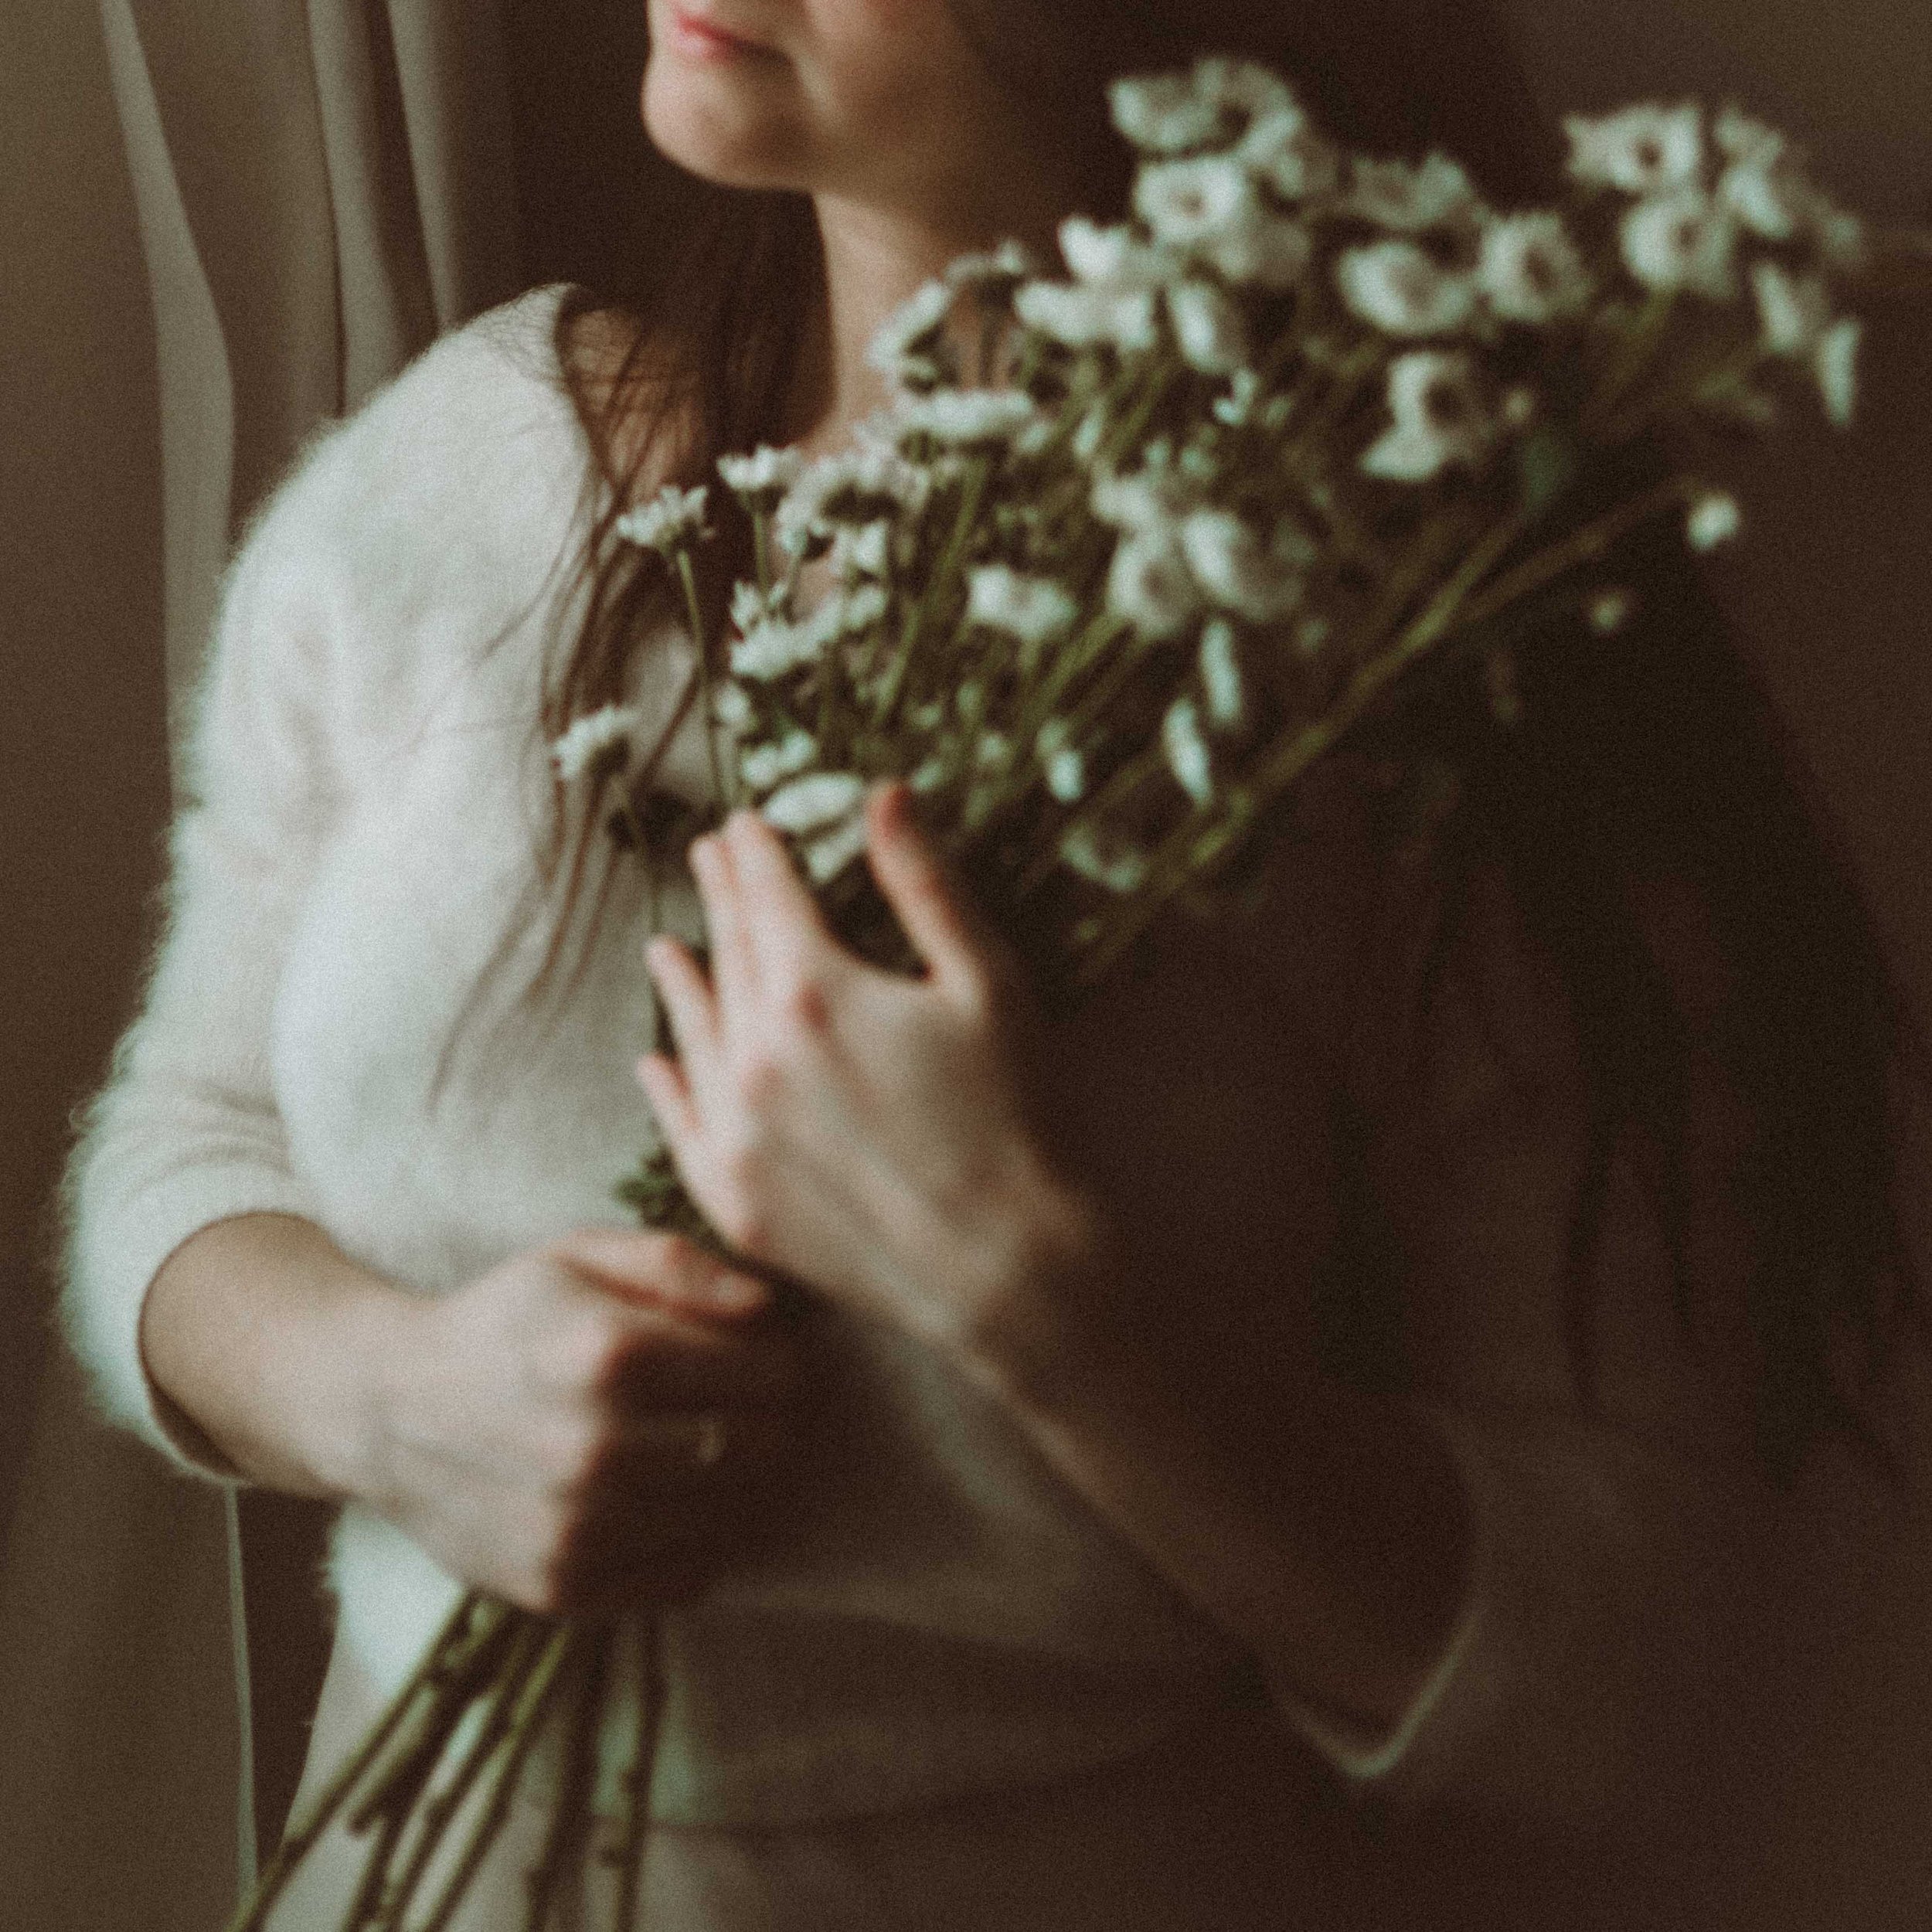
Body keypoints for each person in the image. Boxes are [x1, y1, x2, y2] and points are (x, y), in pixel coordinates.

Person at [62, 0, 1927, 1926]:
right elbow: (186, 1135)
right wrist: (395, 1397)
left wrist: (1024, 1286)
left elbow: (1633, 1690)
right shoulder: (465, 471)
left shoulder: (1406, 659)